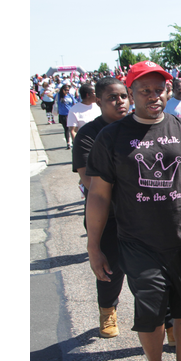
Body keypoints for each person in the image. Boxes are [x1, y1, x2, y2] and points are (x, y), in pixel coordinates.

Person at [85, 61, 181, 361]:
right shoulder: (111, 138)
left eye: (159, 89)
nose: (153, 96)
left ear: (168, 90)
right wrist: (94, 246)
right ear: (131, 93)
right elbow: (98, 195)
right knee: (149, 314)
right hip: (139, 244)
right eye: (144, 90)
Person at [72, 77, 130, 338]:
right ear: (98, 100)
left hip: (142, 211)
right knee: (110, 267)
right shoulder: (88, 134)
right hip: (107, 214)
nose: (119, 102)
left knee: (156, 266)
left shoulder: (138, 125)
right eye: (112, 98)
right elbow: (88, 179)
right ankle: (107, 310)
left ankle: (171, 322)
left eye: (122, 96)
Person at [55, 82, 77, 149]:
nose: (67, 91)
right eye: (65, 89)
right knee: (66, 129)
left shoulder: (70, 95)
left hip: (70, 114)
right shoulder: (59, 95)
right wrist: (55, 90)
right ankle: (68, 143)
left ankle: (74, 142)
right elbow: (49, 95)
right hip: (63, 115)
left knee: (73, 129)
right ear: (62, 89)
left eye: (68, 90)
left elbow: (75, 103)